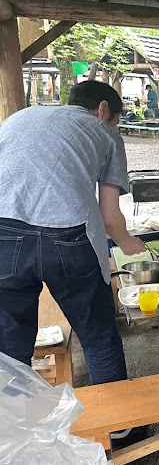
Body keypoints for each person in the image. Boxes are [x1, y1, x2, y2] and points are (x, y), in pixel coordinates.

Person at [0, 80, 148, 386]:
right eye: (115, 121)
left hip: (4, 233)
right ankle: (119, 430)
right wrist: (127, 243)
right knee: (97, 336)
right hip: (67, 238)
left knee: (9, 345)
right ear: (103, 109)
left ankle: (12, 428)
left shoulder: (20, 117)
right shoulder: (106, 134)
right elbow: (109, 216)